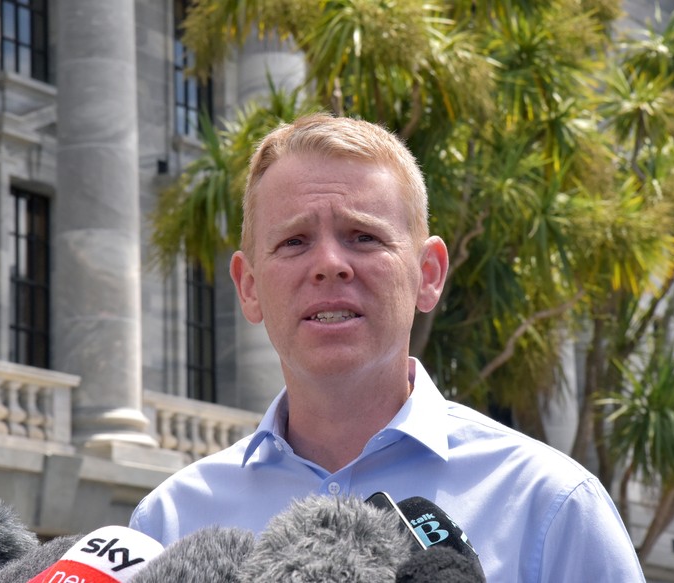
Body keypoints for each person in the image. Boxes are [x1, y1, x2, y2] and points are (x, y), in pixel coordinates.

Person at [129, 114, 646, 581]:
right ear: (248, 286)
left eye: (362, 237)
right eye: (294, 241)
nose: (329, 263)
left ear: (428, 274)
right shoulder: (168, 523)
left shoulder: (550, 507)